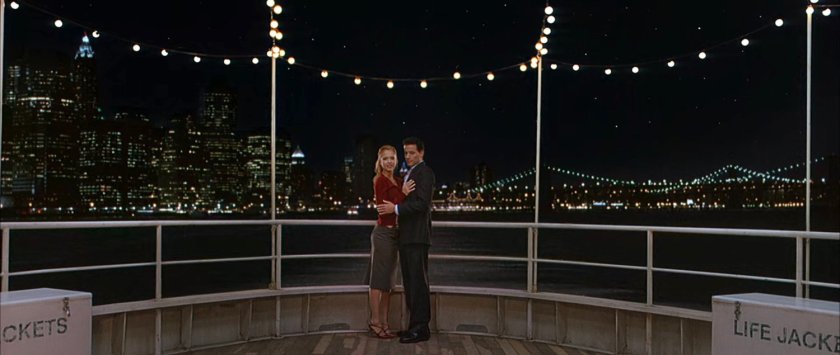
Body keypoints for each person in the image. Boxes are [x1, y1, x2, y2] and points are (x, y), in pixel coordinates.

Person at [376, 137, 435, 343]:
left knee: (418, 283)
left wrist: (396, 209)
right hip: (407, 237)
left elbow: (422, 204)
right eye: (406, 153)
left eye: (412, 153)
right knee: (410, 283)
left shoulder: (425, 173)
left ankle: (421, 328)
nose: (408, 156)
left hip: (417, 237)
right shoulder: (409, 173)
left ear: (421, 153)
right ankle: (414, 326)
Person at [366, 145, 415, 339]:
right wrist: (401, 195)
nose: (389, 162)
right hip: (383, 234)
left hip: (396, 234)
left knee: (388, 282)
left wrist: (398, 200)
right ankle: (375, 321)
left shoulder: (398, 180)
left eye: (392, 158)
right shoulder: (380, 181)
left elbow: (399, 206)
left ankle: (385, 322)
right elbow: (383, 209)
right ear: (380, 161)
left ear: (396, 160)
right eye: (385, 158)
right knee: (378, 281)